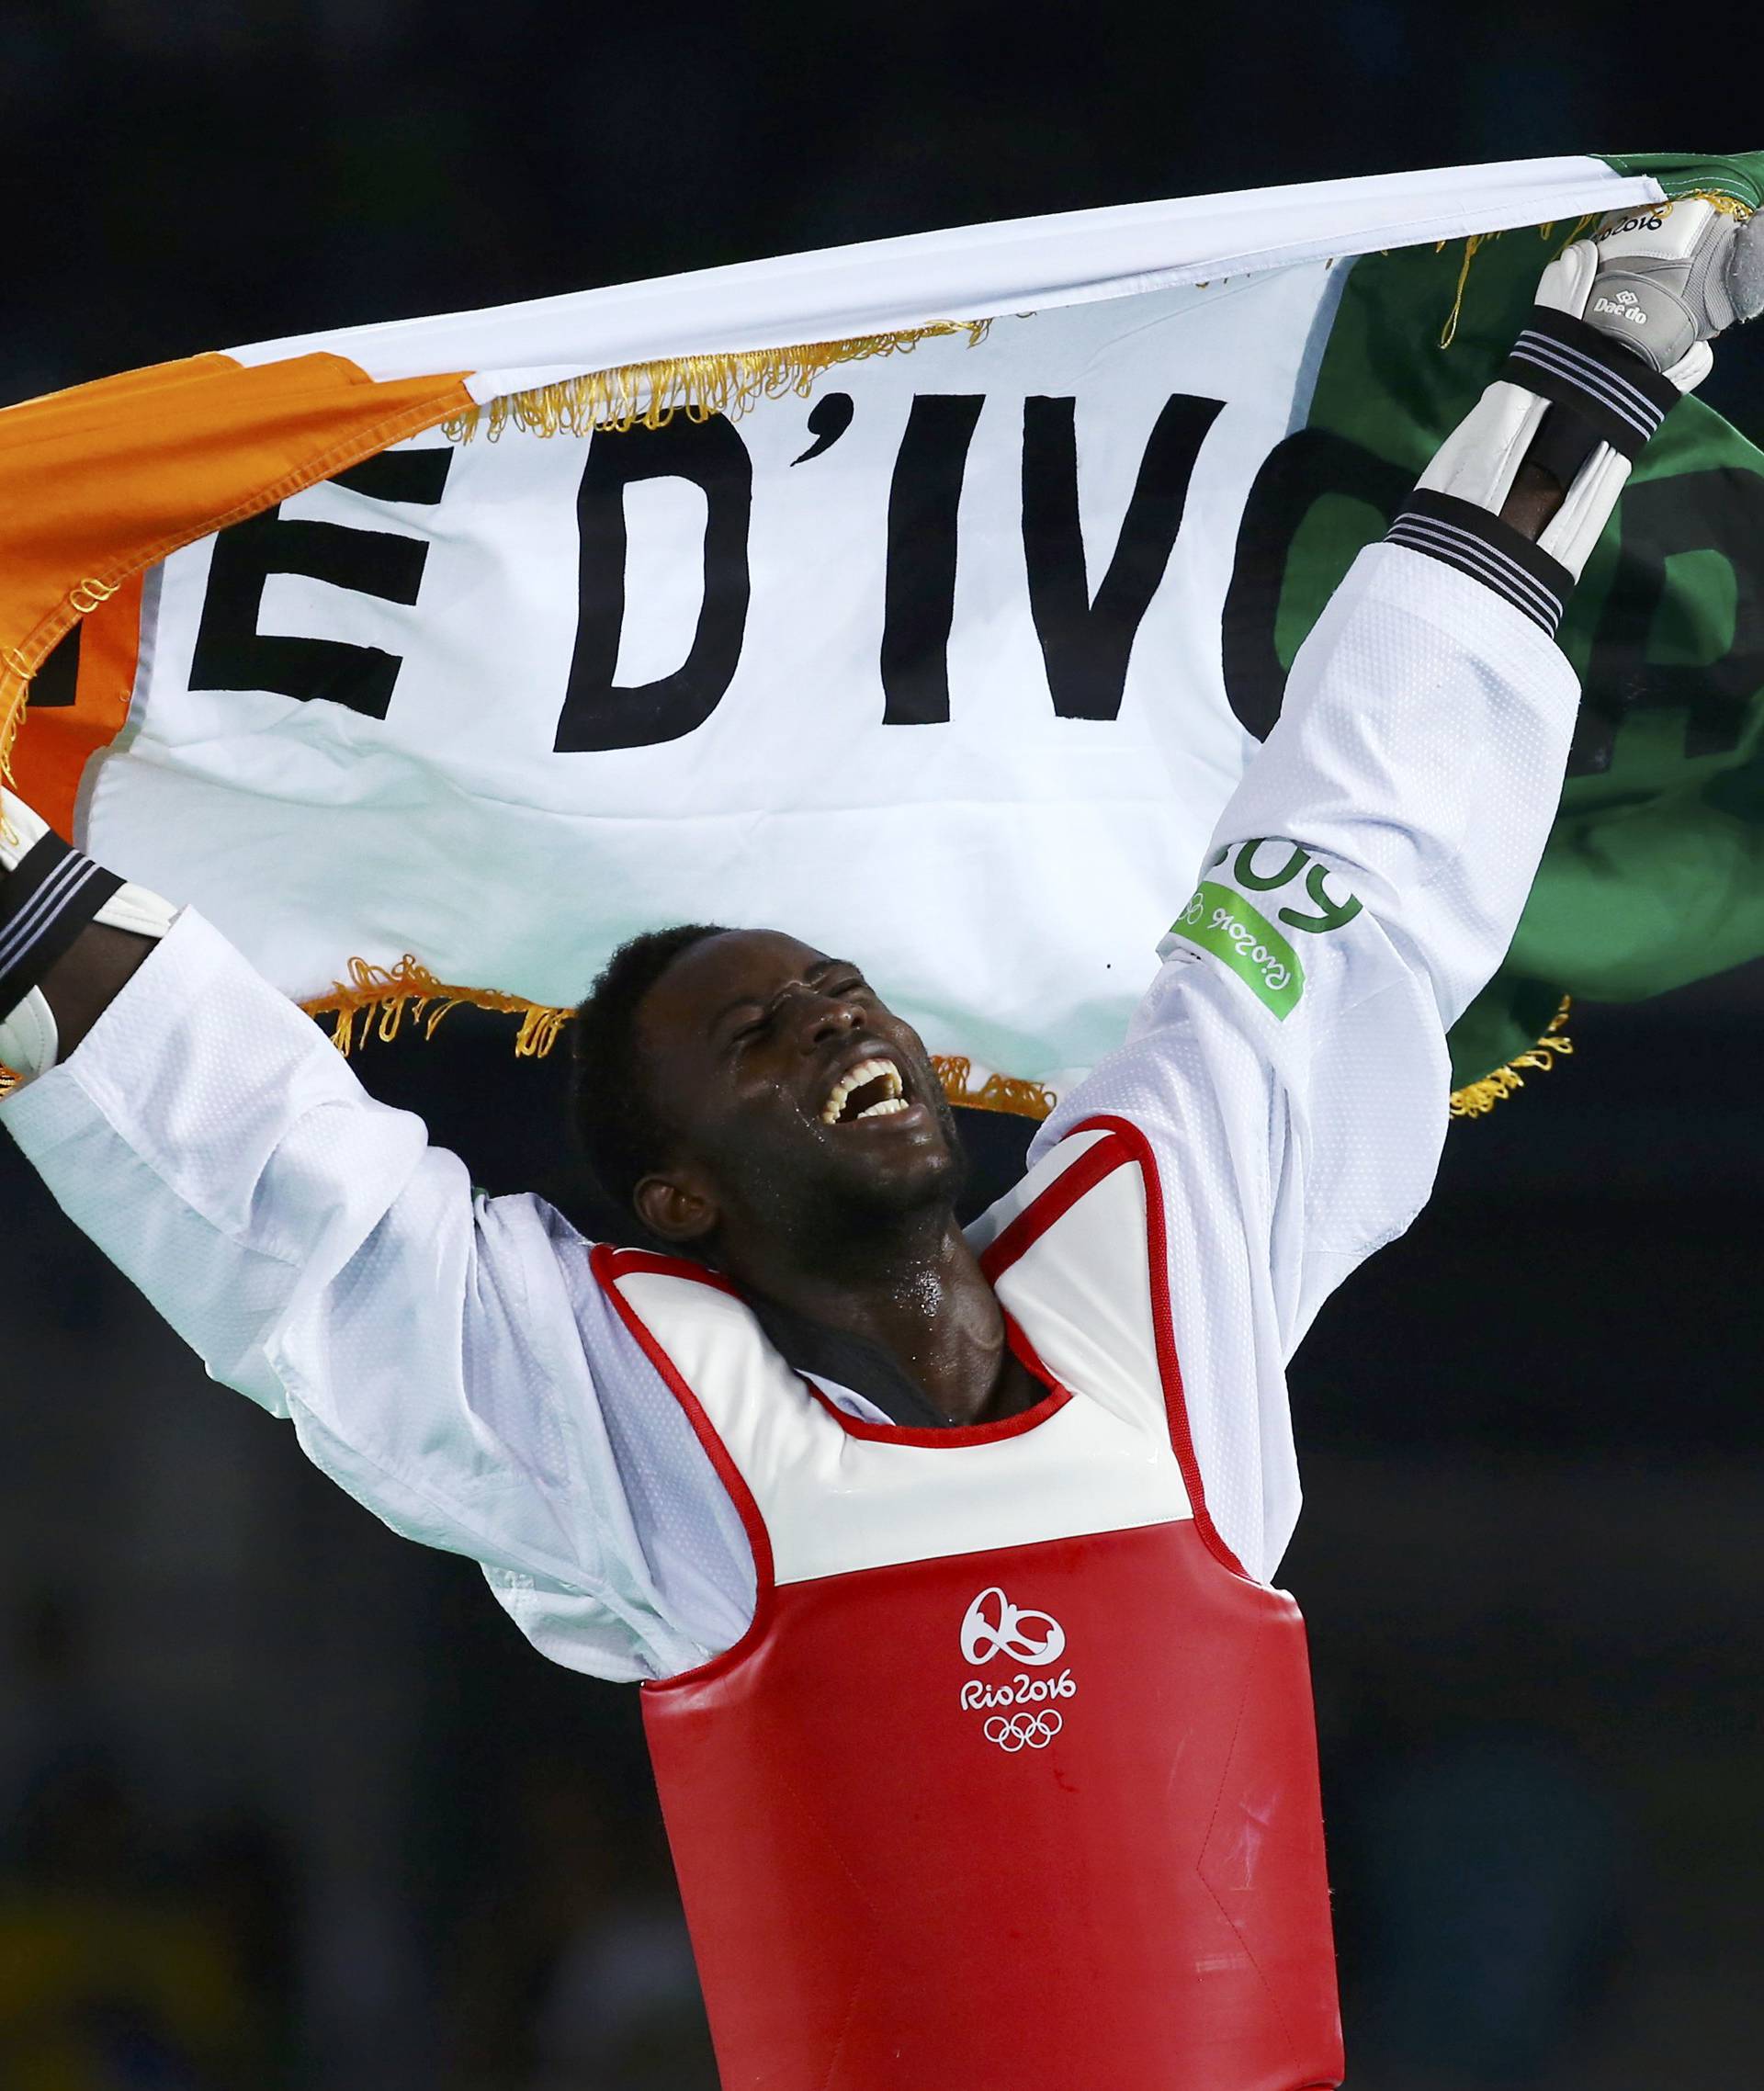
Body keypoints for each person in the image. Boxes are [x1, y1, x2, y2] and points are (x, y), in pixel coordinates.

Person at [3, 202, 1759, 2091]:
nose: (839, 1022)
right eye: (756, 1038)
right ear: (676, 1200)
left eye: (842, 993)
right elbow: (289, 1203)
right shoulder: (643, 1449)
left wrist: (1599, 359)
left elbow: (1357, 852)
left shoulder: (1159, 1262)